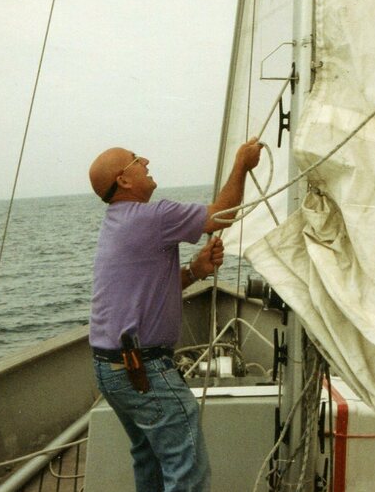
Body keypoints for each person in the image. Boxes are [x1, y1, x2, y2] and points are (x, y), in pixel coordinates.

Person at [87, 137, 262, 492]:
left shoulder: (119, 222)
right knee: (186, 471)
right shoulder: (153, 216)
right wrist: (243, 163)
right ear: (124, 180)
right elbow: (224, 213)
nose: (146, 160)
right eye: (136, 159)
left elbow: (146, 289)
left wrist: (195, 271)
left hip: (112, 370)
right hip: (143, 370)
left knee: (149, 461)